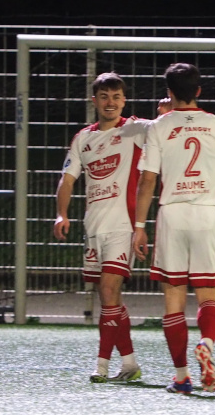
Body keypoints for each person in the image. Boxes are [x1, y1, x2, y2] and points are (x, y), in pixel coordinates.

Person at [54, 73, 166, 383]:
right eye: (104, 96)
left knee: (108, 290)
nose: (110, 102)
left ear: (124, 101)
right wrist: (61, 214)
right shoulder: (83, 138)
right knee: (110, 300)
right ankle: (129, 364)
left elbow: (163, 126)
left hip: (123, 226)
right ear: (94, 101)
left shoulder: (133, 129)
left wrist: (166, 112)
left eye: (116, 97)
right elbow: (67, 179)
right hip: (94, 227)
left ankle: (101, 366)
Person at [132, 63, 215, 394]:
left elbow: (148, 180)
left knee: (174, 299)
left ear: (169, 92)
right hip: (206, 214)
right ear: (199, 91)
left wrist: (139, 226)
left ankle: (181, 377)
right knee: (209, 295)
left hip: (172, 216)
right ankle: (206, 342)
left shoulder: (159, 126)